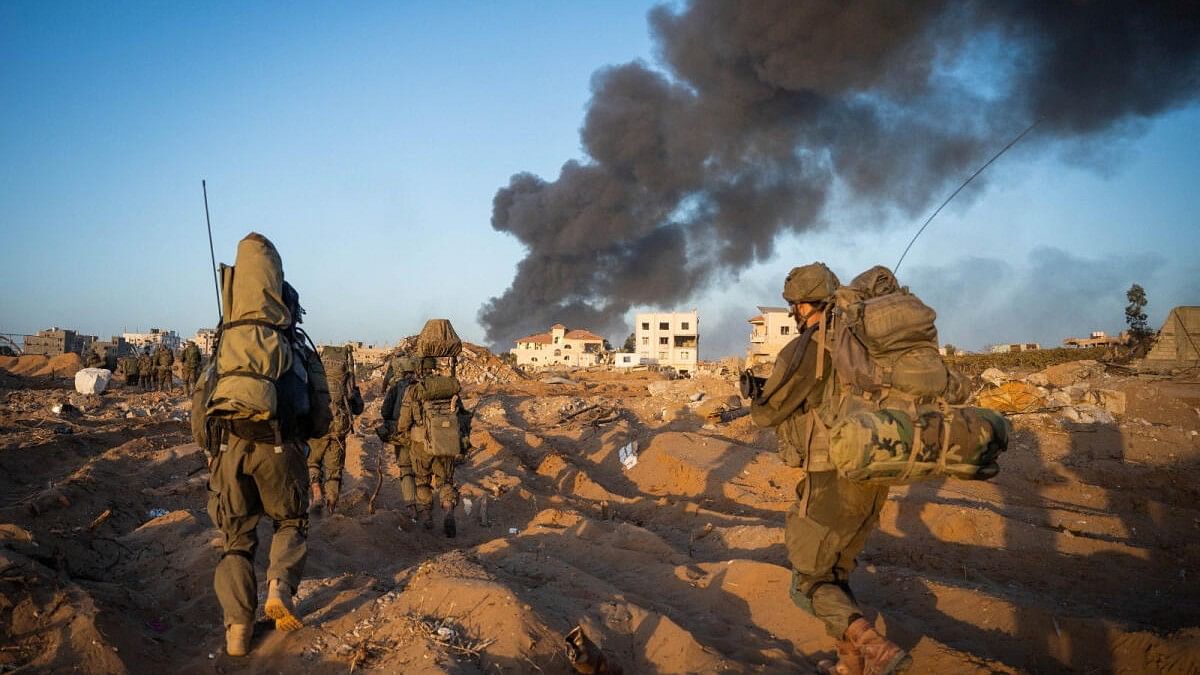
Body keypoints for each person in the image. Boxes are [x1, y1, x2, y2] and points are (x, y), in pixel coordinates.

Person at [749, 263, 909, 675]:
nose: (793, 313)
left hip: (832, 475)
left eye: (794, 306)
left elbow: (768, 414)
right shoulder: (866, 342)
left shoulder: (811, 346)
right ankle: (848, 664)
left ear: (804, 305)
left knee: (809, 582)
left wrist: (756, 394)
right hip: (877, 471)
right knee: (835, 572)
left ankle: (871, 645)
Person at [395, 356, 469, 537]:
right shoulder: (449, 388)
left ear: (418, 369)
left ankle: (427, 516)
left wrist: (403, 433)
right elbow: (463, 417)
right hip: (447, 443)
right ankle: (448, 509)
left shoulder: (414, 390)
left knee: (422, 481)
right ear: (433, 368)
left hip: (421, 445)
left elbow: (404, 422)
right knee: (445, 482)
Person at [307, 345, 363, 513]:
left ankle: (317, 494)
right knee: (334, 471)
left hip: (319, 426)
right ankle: (331, 510)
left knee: (312, 462)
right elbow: (358, 408)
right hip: (339, 429)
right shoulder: (348, 379)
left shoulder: (316, 375)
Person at [377, 356, 419, 518]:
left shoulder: (396, 387)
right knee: (422, 471)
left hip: (401, 435)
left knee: (406, 469)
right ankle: (426, 507)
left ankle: (411, 506)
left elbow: (385, 411)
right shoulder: (421, 386)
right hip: (420, 435)